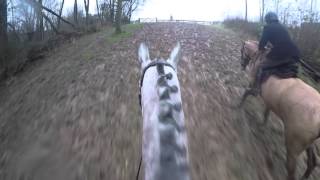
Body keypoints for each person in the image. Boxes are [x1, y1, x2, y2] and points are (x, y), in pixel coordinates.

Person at [253, 12, 301, 93]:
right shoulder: (283, 27)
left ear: (267, 20)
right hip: (294, 53)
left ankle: (256, 88)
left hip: (280, 54)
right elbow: (283, 41)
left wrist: (263, 48)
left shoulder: (268, 27)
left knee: (260, 66)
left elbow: (261, 45)